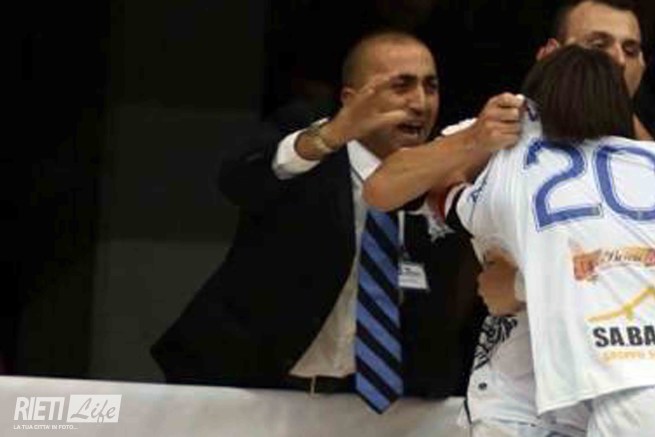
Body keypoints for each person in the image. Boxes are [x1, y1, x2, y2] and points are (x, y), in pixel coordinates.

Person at [150, 30, 522, 412]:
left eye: (431, 86)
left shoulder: (444, 175)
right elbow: (238, 180)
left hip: (367, 408)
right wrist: (331, 135)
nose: (420, 103)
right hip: (243, 385)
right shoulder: (307, 148)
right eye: (401, 86)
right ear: (350, 98)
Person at [364, 0, 652, 433]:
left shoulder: (645, 156)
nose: (616, 60)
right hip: (519, 395)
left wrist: (520, 284)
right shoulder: (505, 129)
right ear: (550, 53)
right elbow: (381, 188)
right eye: (598, 45)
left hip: (626, 378)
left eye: (630, 49)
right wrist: (474, 140)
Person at [443, 44, 655, 437]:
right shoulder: (649, 161)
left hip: (614, 384)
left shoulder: (512, 164)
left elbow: (443, 197)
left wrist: (517, 285)